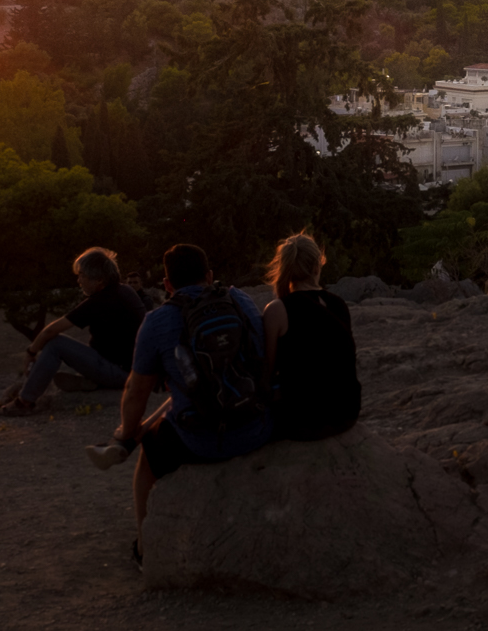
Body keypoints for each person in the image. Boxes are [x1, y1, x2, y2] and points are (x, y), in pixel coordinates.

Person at [112, 244, 272, 557]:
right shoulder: (241, 300)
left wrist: (127, 431)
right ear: (210, 276)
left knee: (147, 461)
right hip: (256, 427)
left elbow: (136, 391)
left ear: (168, 285)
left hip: (200, 440)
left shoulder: (157, 322)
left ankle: (146, 550)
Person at [0, 247, 144, 415]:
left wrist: (30, 352)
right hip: (135, 370)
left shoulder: (99, 301)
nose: (79, 281)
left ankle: (25, 402)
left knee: (56, 344)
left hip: (121, 373)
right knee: (71, 349)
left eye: (82, 276)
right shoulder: (126, 291)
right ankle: (93, 380)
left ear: (99, 280)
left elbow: (50, 332)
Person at [260, 232, 361, 440]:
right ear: (317, 265)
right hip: (346, 413)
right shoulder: (338, 304)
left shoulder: (277, 310)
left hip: (303, 421)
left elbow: (267, 374)